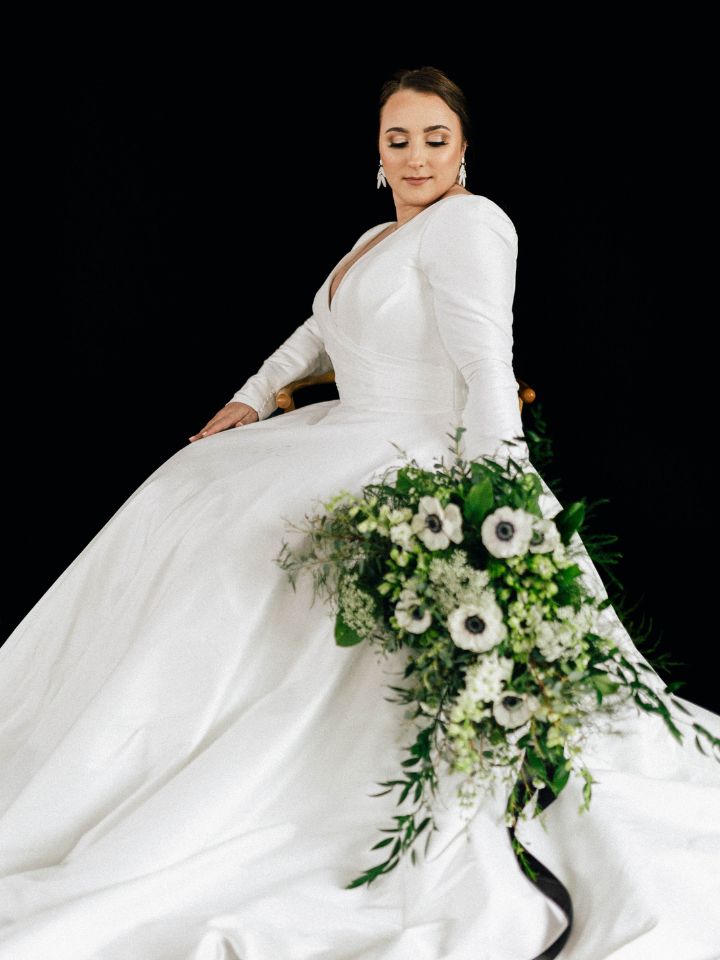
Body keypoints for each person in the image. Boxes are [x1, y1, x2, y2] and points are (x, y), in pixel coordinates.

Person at [1, 66, 719, 960]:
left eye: (434, 139)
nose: (416, 157)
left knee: (246, 541)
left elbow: (486, 366)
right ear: (377, 153)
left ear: (464, 148)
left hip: (416, 446)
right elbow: (317, 333)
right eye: (398, 140)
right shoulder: (379, 235)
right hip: (346, 427)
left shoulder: (472, 225)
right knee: (190, 495)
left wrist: (497, 493)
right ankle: (115, 752)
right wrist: (252, 397)